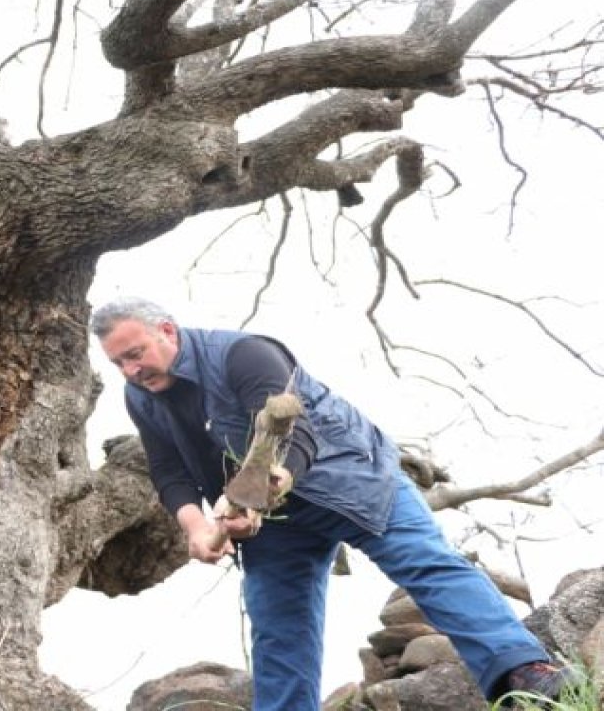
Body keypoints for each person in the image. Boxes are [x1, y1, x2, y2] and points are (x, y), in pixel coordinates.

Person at [90, 297, 570, 710]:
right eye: (119, 364)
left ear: (168, 331)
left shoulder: (246, 355)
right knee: (277, 629)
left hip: (351, 478)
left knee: (427, 566)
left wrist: (275, 479)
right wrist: (195, 524)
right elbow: (169, 469)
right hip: (272, 522)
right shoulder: (141, 396)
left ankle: (527, 674)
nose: (132, 370)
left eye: (136, 354)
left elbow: (295, 432)